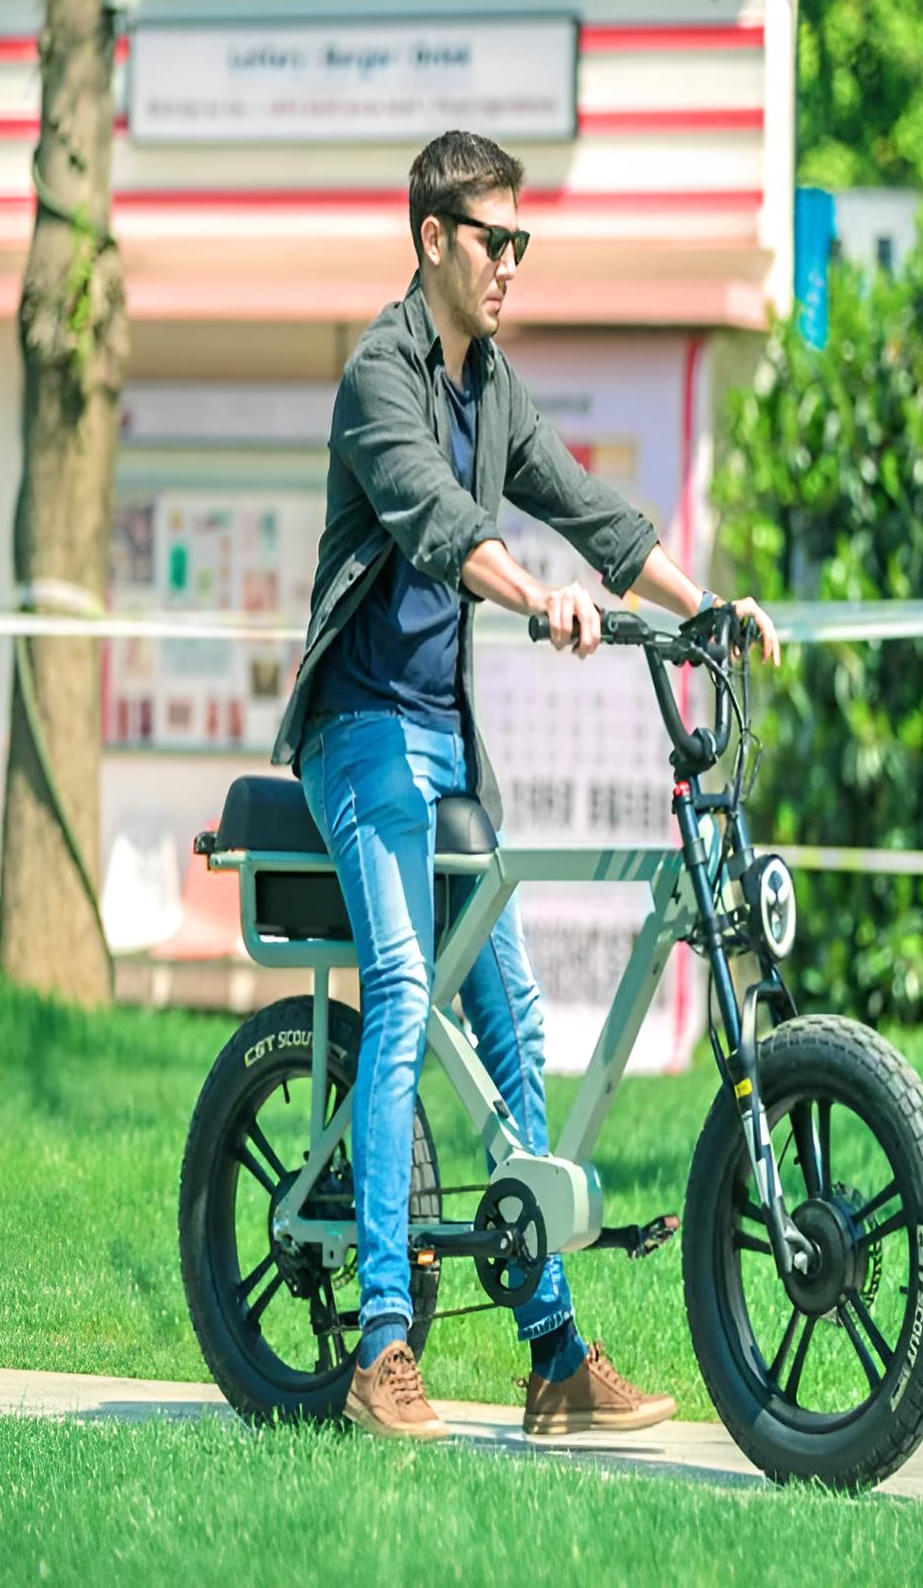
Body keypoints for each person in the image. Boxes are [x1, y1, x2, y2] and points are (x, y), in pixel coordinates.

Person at [272, 130, 780, 1442]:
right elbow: (440, 523)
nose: (513, 263)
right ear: (435, 238)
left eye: (523, 243)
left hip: (445, 741)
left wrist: (703, 601)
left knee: (513, 1029)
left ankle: (554, 1358)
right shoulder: (377, 380)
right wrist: (530, 593)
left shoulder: (493, 384)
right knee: (399, 987)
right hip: (360, 733)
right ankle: (383, 1348)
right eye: (497, 240)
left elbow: (587, 512)